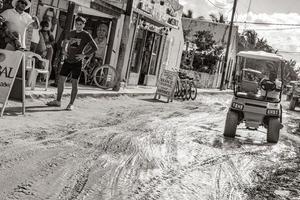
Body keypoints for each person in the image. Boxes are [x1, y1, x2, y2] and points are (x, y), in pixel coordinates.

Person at [46, 16, 98, 110]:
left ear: (83, 25)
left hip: (77, 62)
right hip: (67, 60)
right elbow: (65, 43)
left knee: (75, 83)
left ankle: (71, 104)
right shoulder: (71, 32)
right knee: (61, 80)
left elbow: (95, 47)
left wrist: (84, 55)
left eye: (80, 24)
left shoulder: (86, 34)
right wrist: (64, 51)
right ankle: (58, 101)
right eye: (77, 24)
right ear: (75, 24)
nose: (78, 26)